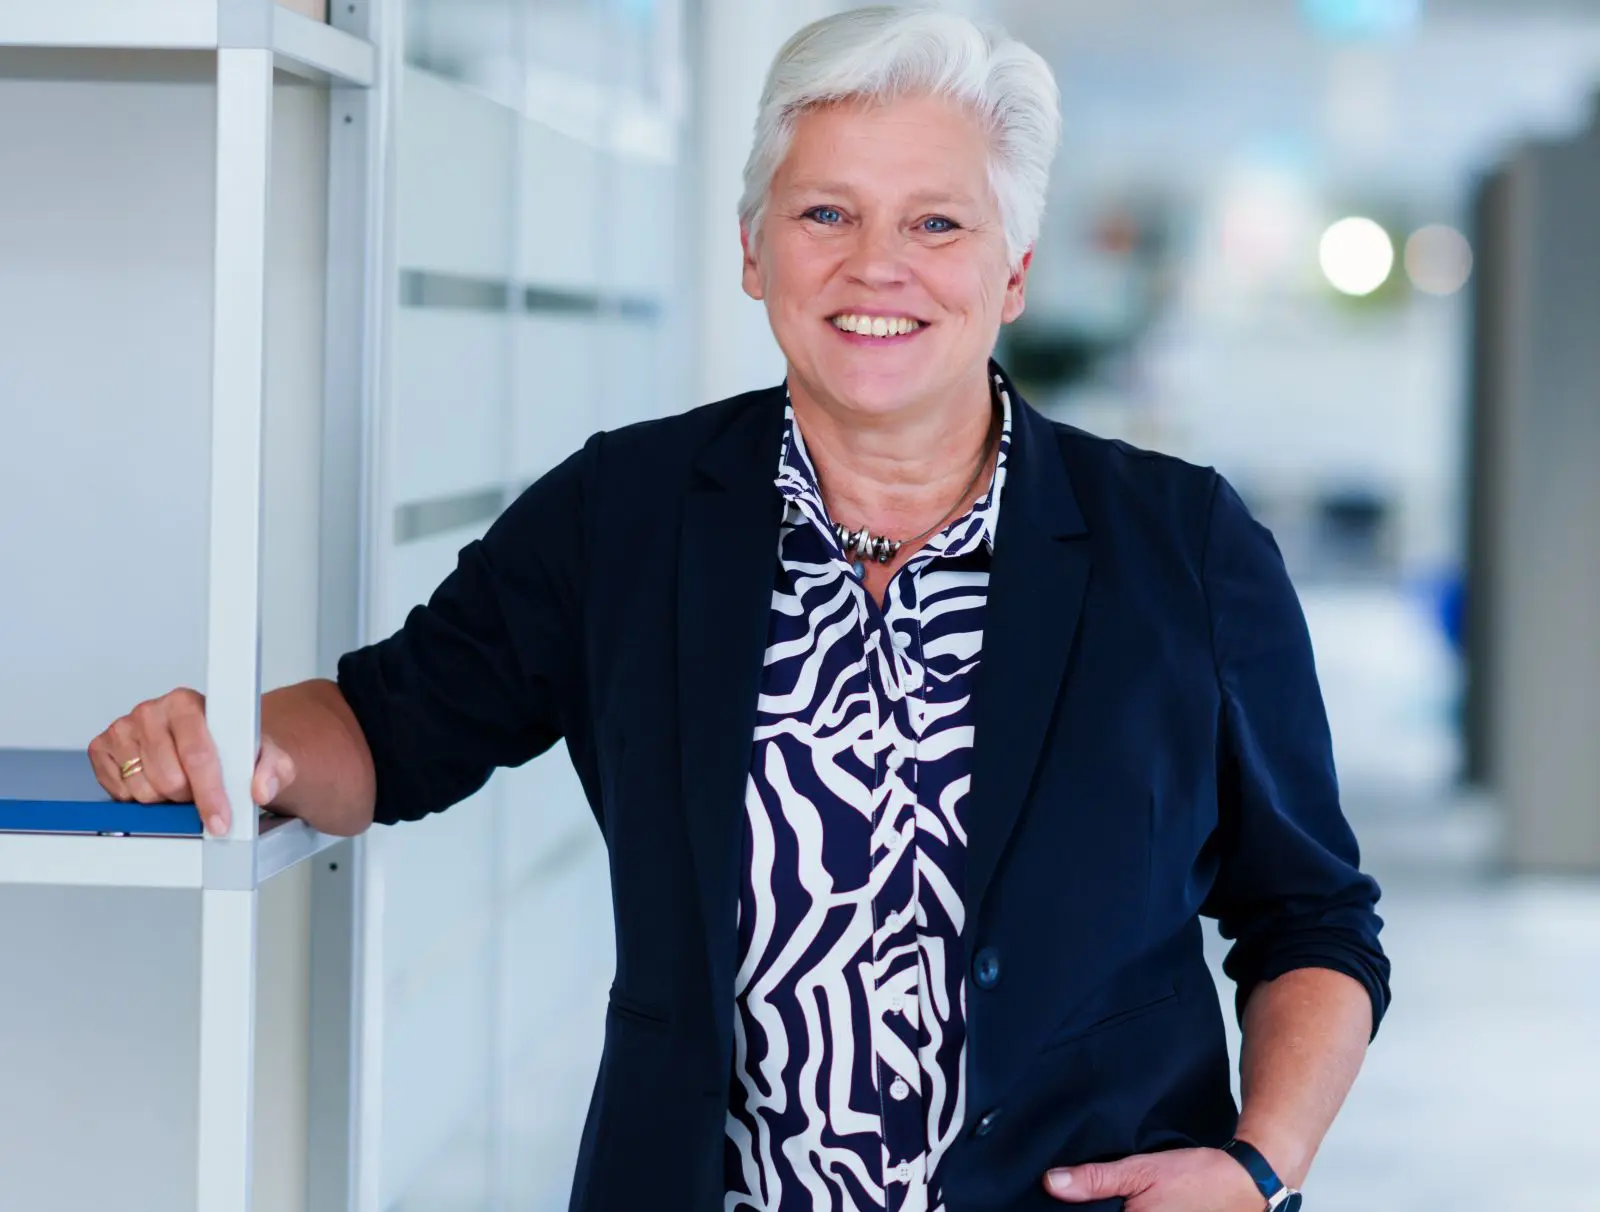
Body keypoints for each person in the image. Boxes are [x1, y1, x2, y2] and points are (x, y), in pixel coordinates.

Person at [88, 8, 1388, 1211]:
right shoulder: (625, 514)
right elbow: (386, 729)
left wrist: (1260, 1166)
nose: (877, 266)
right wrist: (239, 741)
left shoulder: (1182, 547)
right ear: (754, 252)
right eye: (826, 212)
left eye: (938, 224)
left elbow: (1311, 917)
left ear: (1014, 275)